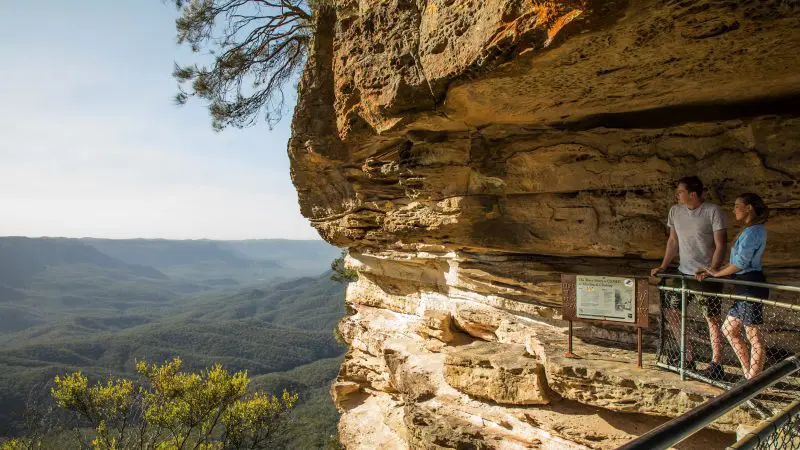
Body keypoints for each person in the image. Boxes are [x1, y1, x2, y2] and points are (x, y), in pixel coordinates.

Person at [651, 176, 728, 378]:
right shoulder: (675, 211)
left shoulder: (712, 211)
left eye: (680, 191)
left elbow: (721, 244)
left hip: (706, 276)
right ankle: (687, 357)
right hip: (683, 273)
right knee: (671, 311)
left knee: (712, 318)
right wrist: (663, 266)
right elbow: (673, 241)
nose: (677, 195)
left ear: (692, 194)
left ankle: (716, 363)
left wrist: (713, 269)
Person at [697, 193, 769, 379]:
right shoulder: (750, 230)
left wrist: (716, 273)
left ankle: (753, 381)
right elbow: (737, 261)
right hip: (743, 286)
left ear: (749, 208)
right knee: (729, 329)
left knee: (754, 337)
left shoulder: (754, 231)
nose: (734, 209)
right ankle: (749, 375)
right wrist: (715, 270)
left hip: (750, 285)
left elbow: (741, 263)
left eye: (738, 205)